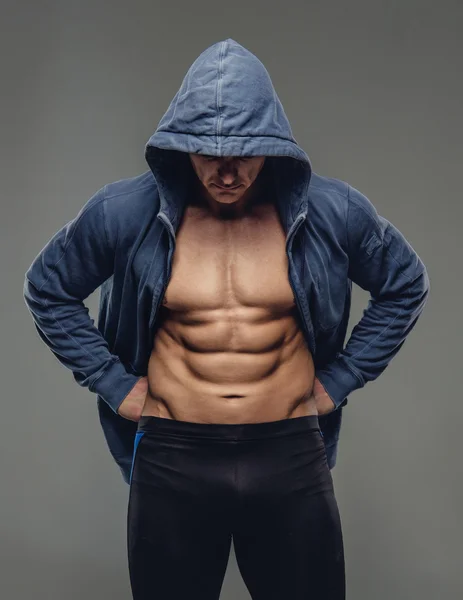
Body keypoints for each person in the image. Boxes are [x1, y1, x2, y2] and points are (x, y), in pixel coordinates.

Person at [23, 38, 430, 600]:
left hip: (289, 452)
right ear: (179, 145)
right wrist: (115, 386)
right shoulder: (125, 212)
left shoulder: (331, 211)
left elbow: (405, 283)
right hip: (173, 456)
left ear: (273, 147)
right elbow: (48, 288)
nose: (228, 172)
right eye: (208, 154)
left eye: (245, 154)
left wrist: (339, 382)